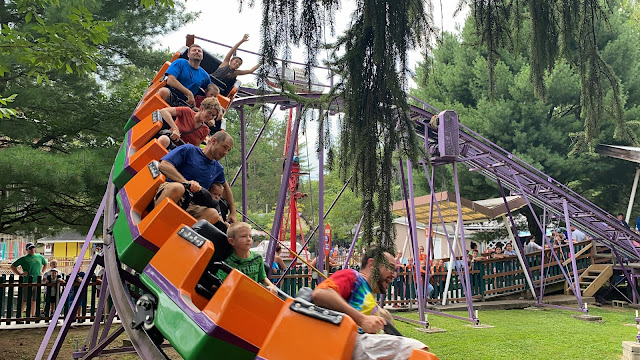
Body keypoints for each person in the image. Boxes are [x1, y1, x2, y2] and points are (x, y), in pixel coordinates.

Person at [311, 247, 428, 360]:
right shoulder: (353, 276)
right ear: (372, 265)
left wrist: (381, 314)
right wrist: (362, 319)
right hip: (351, 342)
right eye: (390, 268)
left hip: (364, 345)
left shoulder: (368, 293)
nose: (394, 274)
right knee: (416, 350)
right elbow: (321, 293)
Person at [154, 131, 237, 224]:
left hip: (192, 204)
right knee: (178, 188)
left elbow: (225, 188)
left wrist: (233, 212)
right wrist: (185, 182)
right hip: (172, 190)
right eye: (224, 147)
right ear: (214, 141)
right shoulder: (189, 150)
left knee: (213, 214)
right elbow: (164, 165)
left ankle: (177, 234)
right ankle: (154, 222)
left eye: (228, 150)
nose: (225, 152)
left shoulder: (217, 168)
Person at [216, 222, 278, 295]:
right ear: (232, 241)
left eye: (250, 236)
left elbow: (263, 277)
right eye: (244, 236)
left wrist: (271, 285)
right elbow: (219, 284)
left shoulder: (257, 258)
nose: (249, 239)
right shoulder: (228, 263)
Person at [156, 97, 224, 149]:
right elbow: (164, 111)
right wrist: (175, 128)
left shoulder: (205, 130)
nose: (210, 117)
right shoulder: (187, 111)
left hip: (181, 152)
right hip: (170, 141)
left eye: (213, 115)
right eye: (209, 113)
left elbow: (194, 147)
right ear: (202, 108)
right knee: (164, 140)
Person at [10, 242, 47, 319]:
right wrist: (20, 274)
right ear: (27, 250)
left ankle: (32, 315)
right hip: (27, 281)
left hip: (37, 281)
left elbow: (45, 264)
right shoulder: (24, 258)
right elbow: (13, 266)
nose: (32, 249)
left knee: (35, 299)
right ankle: (19, 316)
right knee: (24, 299)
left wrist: (42, 271)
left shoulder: (40, 257)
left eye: (33, 248)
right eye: (30, 248)